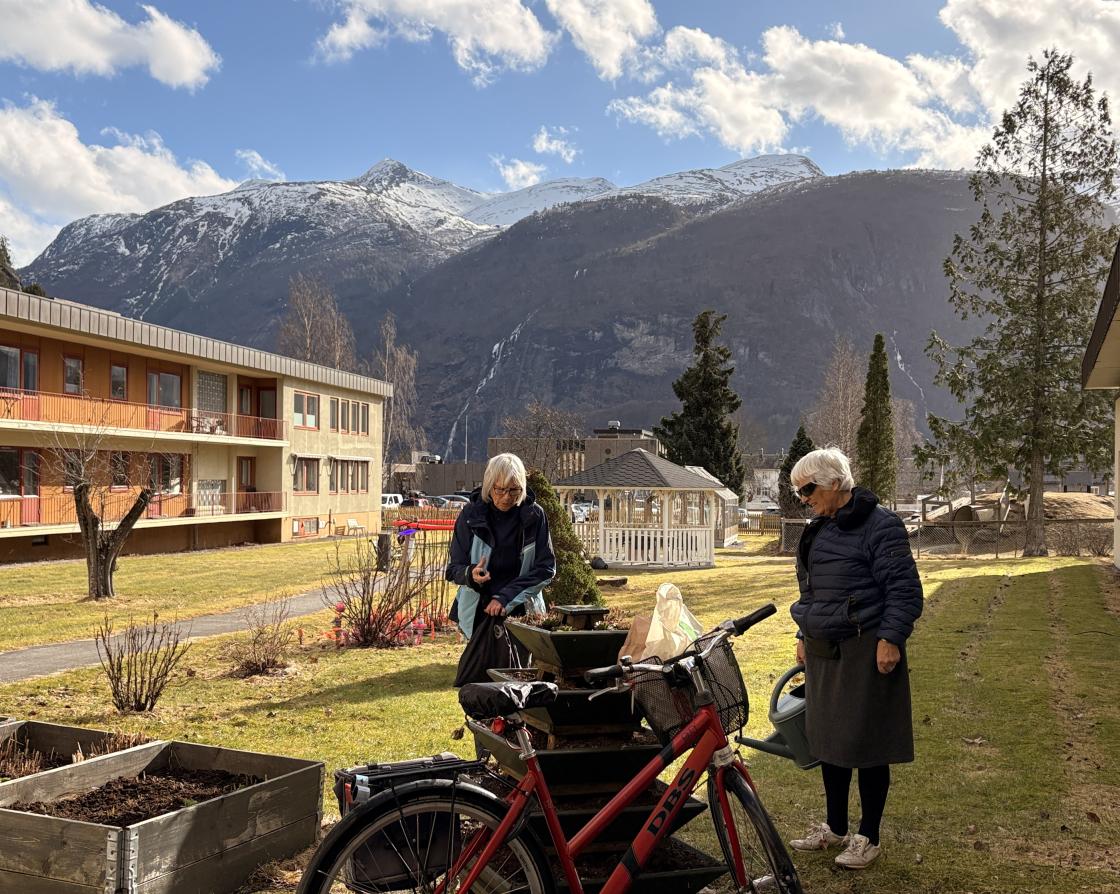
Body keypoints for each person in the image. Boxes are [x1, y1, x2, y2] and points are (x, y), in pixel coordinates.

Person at [786, 447, 923, 870]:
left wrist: (891, 639)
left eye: (806, 489)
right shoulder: (819, 529)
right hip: (825, 649)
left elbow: (904, 589)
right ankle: (835, 827)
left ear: (832, 482)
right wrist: (803, 634)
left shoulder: (881, 527)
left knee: (867, 744)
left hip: (867, 648)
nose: (803, 498)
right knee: (829, 743)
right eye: (798, 493)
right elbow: (813, 592)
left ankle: (869, 836)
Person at [446, 453, 556, 687]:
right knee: (480, 686)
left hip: (521, 610)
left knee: (518, 685)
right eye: (499, 490)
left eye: (514, 490)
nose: (506, 497)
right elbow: (453, 568)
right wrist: (471, 574)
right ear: (488, 486)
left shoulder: (534, 515)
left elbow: (546, 568)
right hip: (478, 611)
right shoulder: (470, 516)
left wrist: (504, 598)